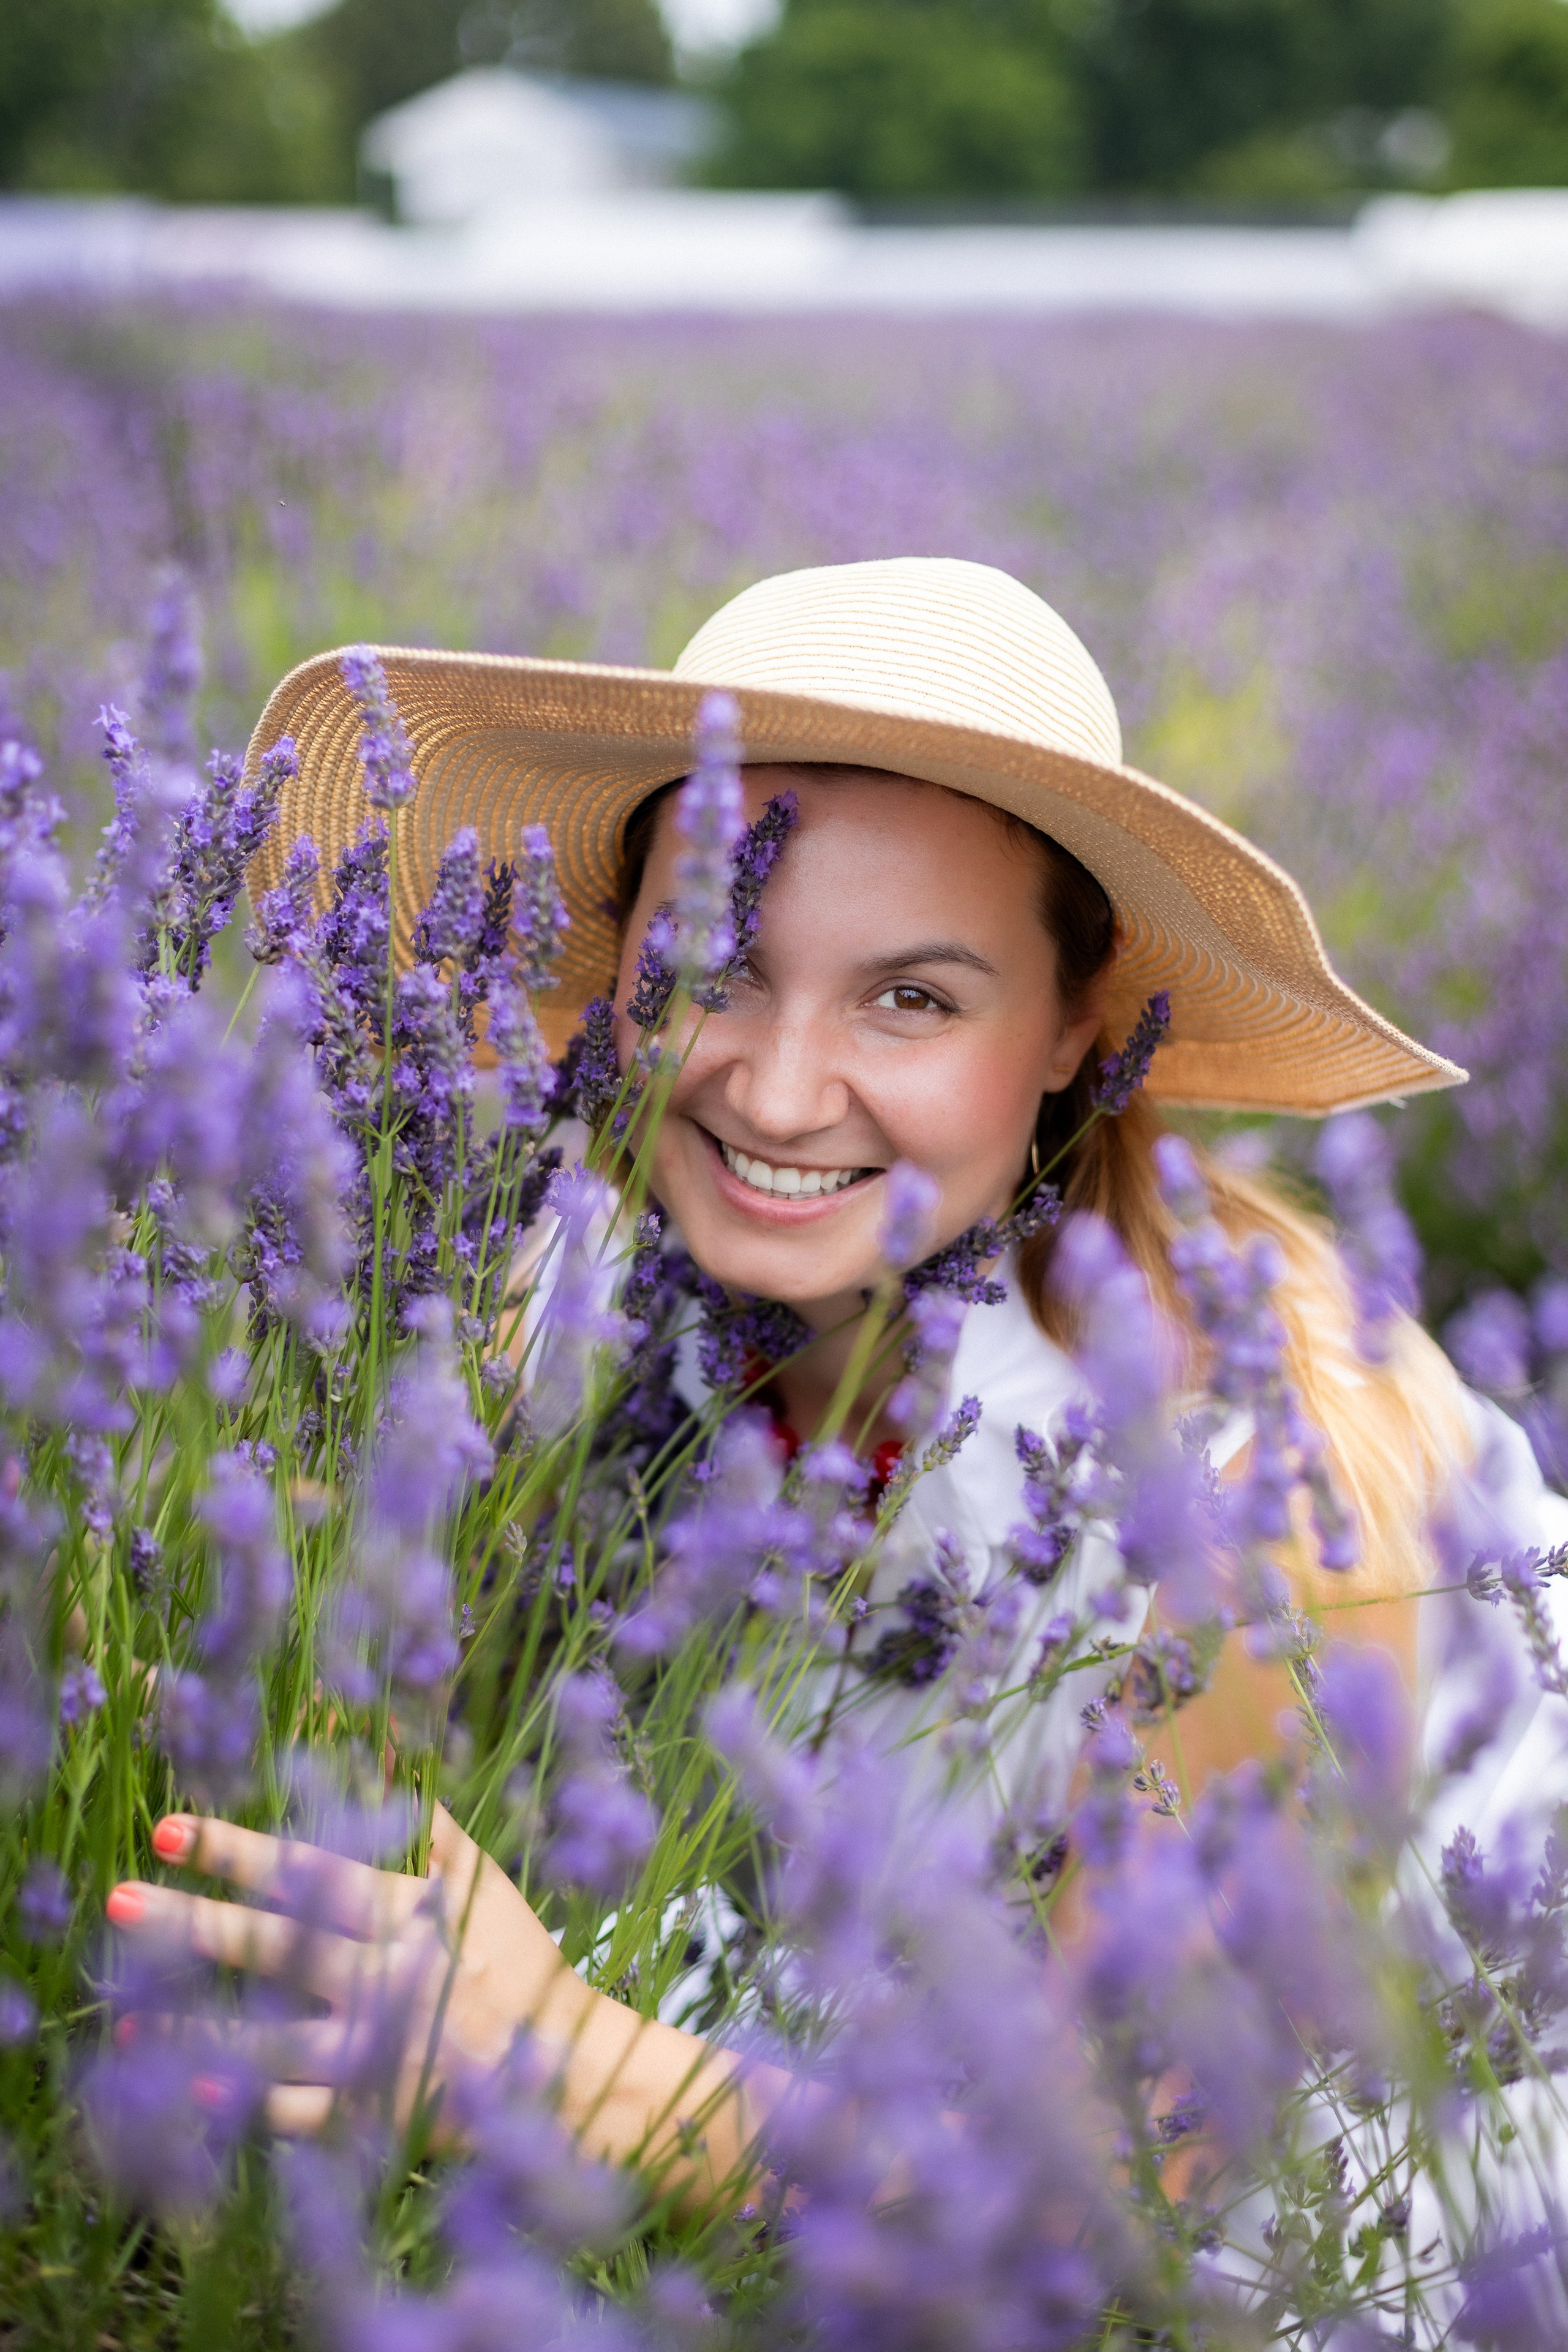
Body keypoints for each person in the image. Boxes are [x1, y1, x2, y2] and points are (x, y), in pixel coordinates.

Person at [105, 557, 1568, 2212]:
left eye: (911, 998)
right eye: (715, 966)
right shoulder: (574, 1302)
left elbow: (1129, 2206)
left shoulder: (1258, 1480)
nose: (783, 1095)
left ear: (1077, 1028)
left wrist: (558, 2060)